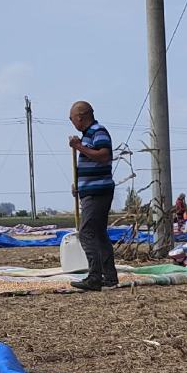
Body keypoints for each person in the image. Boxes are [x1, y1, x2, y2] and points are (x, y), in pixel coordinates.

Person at [68, 100, 118, 290]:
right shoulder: (87, 135)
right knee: (99, 234)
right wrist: (79, 185)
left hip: (98, 192)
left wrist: (79, 147)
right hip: (90, 190)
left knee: (86, 233)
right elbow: (91, 162)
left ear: (81, 117)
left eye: (72, 118)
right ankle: (110, 276)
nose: (72, 122)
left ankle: (94, 276)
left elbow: (104, 155)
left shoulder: (98, 132)